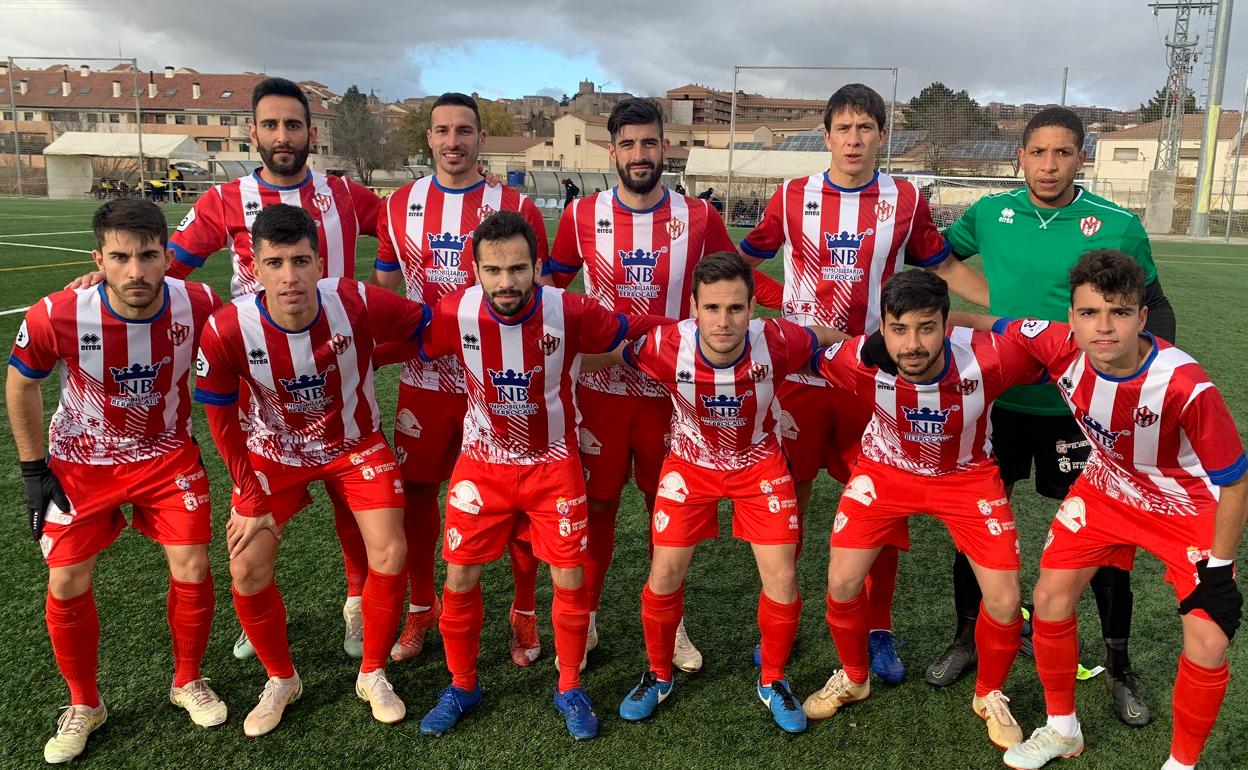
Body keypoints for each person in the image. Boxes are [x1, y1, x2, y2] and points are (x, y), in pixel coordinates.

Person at [71, 77, 387, 661]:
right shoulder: (224, 199)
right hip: (259, 385)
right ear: (253, 133)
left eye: (293, 125)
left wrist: (384, 286)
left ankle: (356, 601)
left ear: (311, 134)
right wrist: (110, 280)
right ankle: (259, 610)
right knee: (261, 504)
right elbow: (173, 268)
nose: (283, 136)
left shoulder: (346, 196)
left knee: (354, 505)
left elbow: (398, 231)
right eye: (271, 125)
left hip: (337, 375)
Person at [948, 250, 1245, 770]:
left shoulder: (1186, 386)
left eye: (1119, 313)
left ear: (1141, 317)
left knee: (1208, 637)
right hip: (1107, 489)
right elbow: (986, 320)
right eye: (1089, 313)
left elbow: (1236, 481)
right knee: (1049, 598)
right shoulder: (1055, 343)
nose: (1103, 328)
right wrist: (931, 324)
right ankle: (1063, 728)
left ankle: (1182, 764)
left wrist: (1219, 569)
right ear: (1071, 318)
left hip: (1185, 507)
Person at [930, 108, 1176, 728]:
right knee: (976, 523)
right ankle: (967, 638)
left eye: (1062, 153)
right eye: (1037, 152)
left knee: (1106, 538)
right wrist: (996, 303)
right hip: (999, 404)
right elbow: (938, 259)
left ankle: (1119, 667)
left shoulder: (1116, 224)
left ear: (1081, 157)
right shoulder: (991, 213)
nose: (1048, 164)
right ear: (1020, 155)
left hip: (1080, 412)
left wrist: (1145, 383)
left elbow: (1155, 306)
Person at [737, 83, 990, 680]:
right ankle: (784, 620)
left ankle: (878, 630)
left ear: (883, 135)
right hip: (802, 374)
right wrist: (777, 308)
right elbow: (743, 261)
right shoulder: (792, 195)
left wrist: (1018, 302)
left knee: (880, 511)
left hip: (873, 376)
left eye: (865, 128)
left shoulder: (905, 198)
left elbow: (944, 267)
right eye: (843, 129)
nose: (854, 140)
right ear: (825, 136)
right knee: (787, 505)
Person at [416, 210, 663, 741]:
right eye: (493, 270)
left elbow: (633, 329)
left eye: (518, 269)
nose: (506, 282)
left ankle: (569, 685)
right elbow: (408, 340)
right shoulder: (454, 311)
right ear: (475, 270)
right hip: (481, 467)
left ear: (538, 267)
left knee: (569, 578)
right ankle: (462, 685)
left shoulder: (570, 311)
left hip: (554, 466)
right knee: (459, 577)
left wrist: (705, 334)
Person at [193, 204, 426, 736]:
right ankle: (281, 678)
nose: (289, 276)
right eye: (275, 263)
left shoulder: (354, 300)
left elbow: (422, 326)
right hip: (275, 453)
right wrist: (248, 495)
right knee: (246, 566)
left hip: (355, 445)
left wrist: (372, 355)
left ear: (320, 262)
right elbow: (220, 419)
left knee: (391, 549)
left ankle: (373, 672)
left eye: (301, 261)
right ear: (254, 266)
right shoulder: (229, 328)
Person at [7, 200, 225, 763]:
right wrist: (34, 470)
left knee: (194, 565)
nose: (136, 272)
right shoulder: (57, 313)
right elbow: (20, 385)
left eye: (149, 256)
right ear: (97, 259)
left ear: (165, 257)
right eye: (120, 257)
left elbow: (240, 350)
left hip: (167, 459)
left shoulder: (198, 303)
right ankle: (85, 703)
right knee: (67, 580)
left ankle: (187, 681)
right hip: (80, 464)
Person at [592, 252, 844, 733]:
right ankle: (659, 675)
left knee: (783, 579)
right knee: (663, 572)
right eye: (712, 308)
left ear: (753, 308)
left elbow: (824, 339)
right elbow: (613, 354)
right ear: (693, 308)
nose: (723, 320)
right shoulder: (666, 345)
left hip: (759, 467)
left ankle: (773, 679)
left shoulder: (779, 339)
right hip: (691, 466)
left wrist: (867, 346)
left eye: (735, 308)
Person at [802, 269, 1045, 753]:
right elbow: (808, 348)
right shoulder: (860, 360)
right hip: (885, 472)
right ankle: (854, 678)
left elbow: (1051, 348)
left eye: (926, 327)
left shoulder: (989, 358)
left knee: (1003, 599)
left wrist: (989, 322)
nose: (912, 344)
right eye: (898, 330)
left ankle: (989, 694)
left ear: (946, 323)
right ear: (882, 329)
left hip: (966, 475)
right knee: (842, 583)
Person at [541, 97, 743, 672]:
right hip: (599, 395)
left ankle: (671, 622)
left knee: (668, 512)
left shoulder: (698, 218)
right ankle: (590, 616)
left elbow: (733, 286)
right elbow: (549, 289)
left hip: (670, 397)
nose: (639, 154)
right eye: (628, 144)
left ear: (665, 147)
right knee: (598, 507)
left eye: (649, 143)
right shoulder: (583, 216)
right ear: (613, 150)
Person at [370, 92, 546, 667]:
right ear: (428, 138)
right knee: (418, 494)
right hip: (427, 380)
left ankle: (523, 611)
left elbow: (540, 294)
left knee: (521, 501)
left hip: (502, 382)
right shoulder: (398, 205)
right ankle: (423, 608)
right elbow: (389, 291)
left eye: (464, 130)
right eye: (442, 130)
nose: (453, 141)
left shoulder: (516, 203)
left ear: (480, 138)